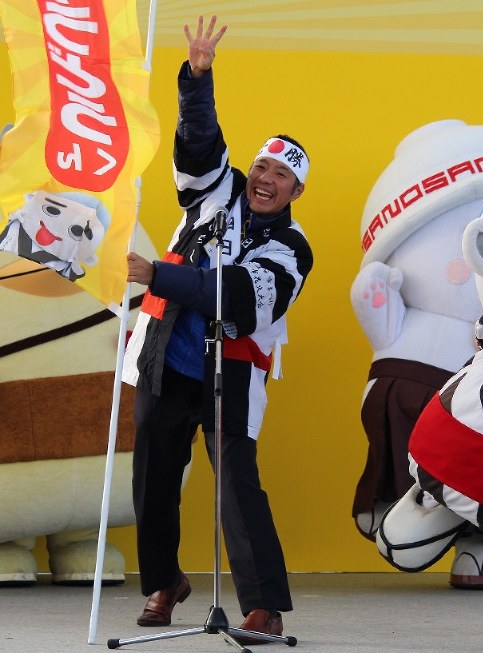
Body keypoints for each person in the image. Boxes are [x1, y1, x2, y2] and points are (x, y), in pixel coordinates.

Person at [122, 15, 313, 643]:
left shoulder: (293, 248)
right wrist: (198, 79)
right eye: (261, 166)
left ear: (295, 192)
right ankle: (163, 581)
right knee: (153, 476)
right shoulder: (215, 190)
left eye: (281, 175)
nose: (265, 179)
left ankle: (265, 606)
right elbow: (199, 140)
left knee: (236, 485)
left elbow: (239, 300)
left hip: (230, 368)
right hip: (166, 354)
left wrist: (158, 274)